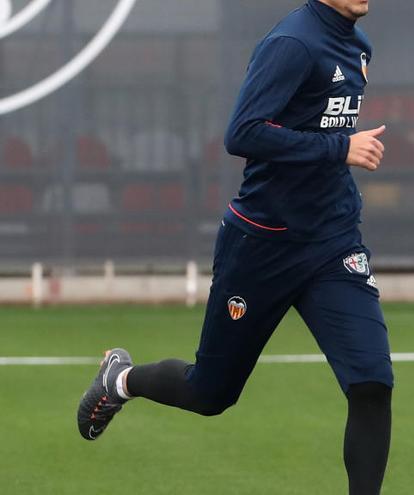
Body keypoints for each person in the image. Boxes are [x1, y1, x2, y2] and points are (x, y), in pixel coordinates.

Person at [76, 1, 393, 493]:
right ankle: (122, 379)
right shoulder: (292, 43)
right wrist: (340, 147)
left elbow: (318, 128)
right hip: (262, 246)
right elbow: (242, 132)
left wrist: (339, 153)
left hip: (333, 245)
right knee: (210, 393)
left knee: (372, 384)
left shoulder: (358, 45)